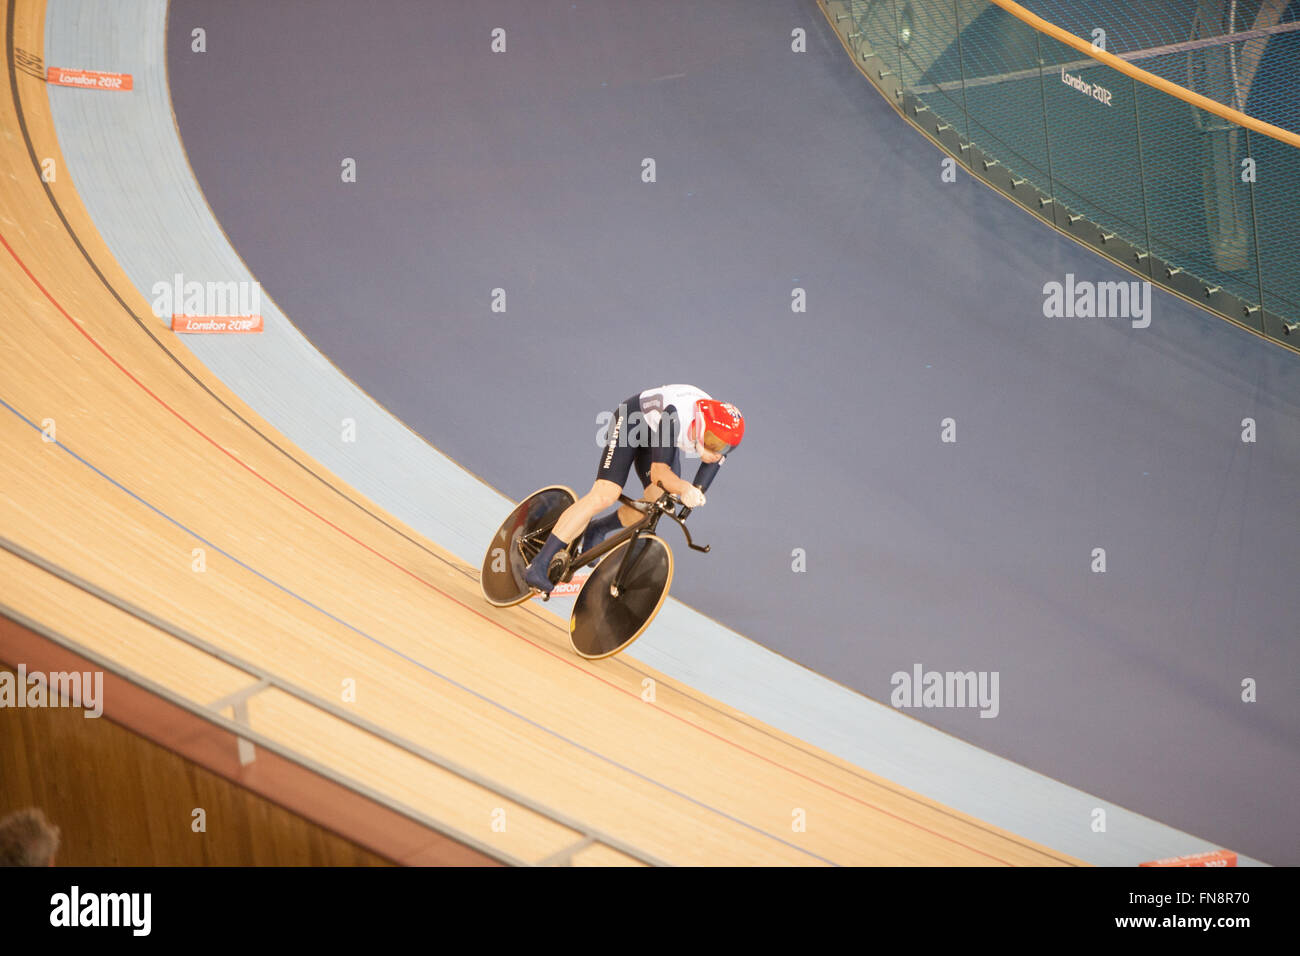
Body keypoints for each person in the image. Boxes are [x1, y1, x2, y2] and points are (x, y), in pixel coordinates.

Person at [522, 385, 744, 594]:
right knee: (605, 494)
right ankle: (539, 563)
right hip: (634, 421)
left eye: (726, 448)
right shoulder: (677, 415)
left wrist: (692, 493)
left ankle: (596, 529)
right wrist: (685, 487)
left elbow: (704, 474)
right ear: (701, 425)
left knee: (659, 503)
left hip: (659, 436)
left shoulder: (721, 437)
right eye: (714, 443)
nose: (718, 452)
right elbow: (659, 473)